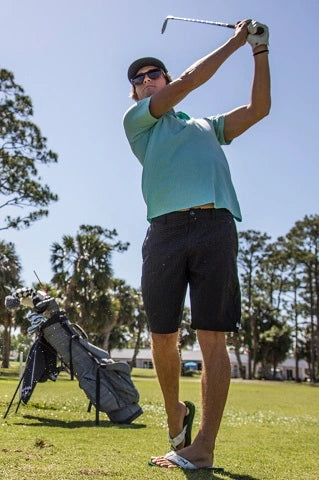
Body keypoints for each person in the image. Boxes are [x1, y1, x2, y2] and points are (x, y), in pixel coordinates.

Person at [123, 19, 270, 470]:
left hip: (214, 226)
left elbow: (258, 109)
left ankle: (203, 445)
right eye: (139, 78)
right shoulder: (138, 122)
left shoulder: (207, 126)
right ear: (135, 93)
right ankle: (175, 415)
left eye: (154, 74)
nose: (147, 80)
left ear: (162, 79)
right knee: (162, 337)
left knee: (212, 337)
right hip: (165, 232)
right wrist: (234, 41)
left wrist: (259, 51)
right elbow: (190, 81)